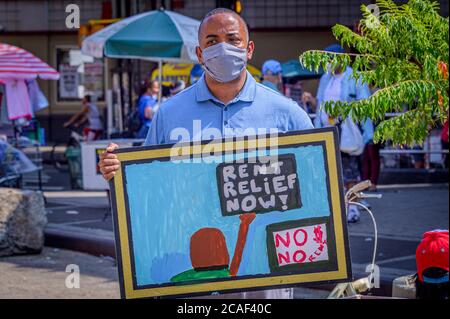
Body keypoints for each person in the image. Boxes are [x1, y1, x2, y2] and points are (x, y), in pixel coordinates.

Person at [99, 7, 313, 298]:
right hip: (187, 279)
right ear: (199, 54)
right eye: (212, 41)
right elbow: (147, 187)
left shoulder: (287, 114)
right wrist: (116, 171)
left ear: (249, 49)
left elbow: (314, 187)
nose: (222, 47)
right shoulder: (169, 114)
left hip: (264, 279)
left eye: (232, 39)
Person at [305, 44, 373, 223]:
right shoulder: (325, 78)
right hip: (328, 130)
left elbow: (364, 106)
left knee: (351, 173)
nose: (328, 63)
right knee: (334, 173)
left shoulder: (355, 78)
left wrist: (368, 133)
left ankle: (354, 210)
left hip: (348, 131)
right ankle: (340, 208)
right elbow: (319, 105)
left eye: (331, 58)